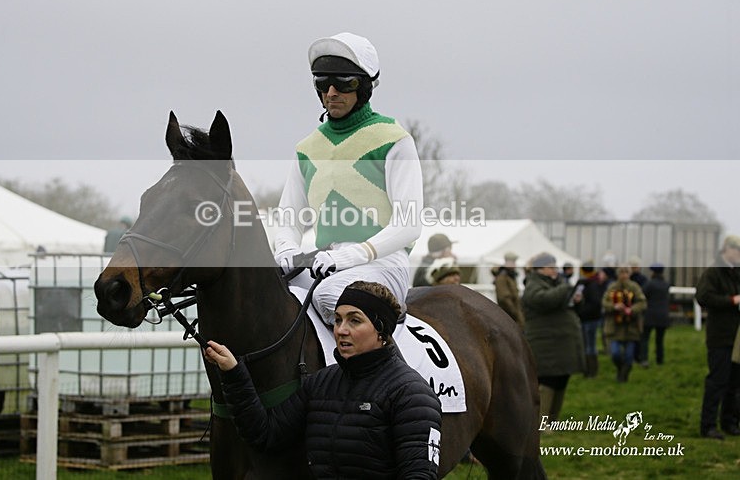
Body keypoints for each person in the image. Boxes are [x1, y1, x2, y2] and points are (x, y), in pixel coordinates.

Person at [203, 281, 442, 478]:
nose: (341, 330)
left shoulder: (412, 395)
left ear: (381, 331)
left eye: (354, 320)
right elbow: (265, 434)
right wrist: (234, 372)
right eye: (338, 320)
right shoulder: (321, 383)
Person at [274, 32, 423, 326]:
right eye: (321, 84)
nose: (331, 93)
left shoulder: (394, 139)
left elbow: (409, 224)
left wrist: (350, 256)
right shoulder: (306, 148)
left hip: (383, 264)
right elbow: (288, 218)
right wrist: (287, 249)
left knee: (330, 296)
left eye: (343, 83)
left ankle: (389, 370)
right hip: (324, 262)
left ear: (364, 87)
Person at [522, 252, 584, 425]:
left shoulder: (555, 283)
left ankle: (553, 420)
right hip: (546, 343)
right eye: (551, 267)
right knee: (548, 380)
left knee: (561, 379)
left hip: (560, 342)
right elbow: (544, 300)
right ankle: (543, 423)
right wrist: (566, 288)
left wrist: (576, 299)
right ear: (540, 269)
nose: (555, 270)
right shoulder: (533, 285)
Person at [696, 235, 740, 440]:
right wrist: (731, 300)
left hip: (737, 336)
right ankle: (708, 425)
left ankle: (730, 422)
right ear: (727, 250)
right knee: (717, 381)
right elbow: (703, 297)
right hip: (720, 336)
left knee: (735, 382)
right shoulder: (713, 272)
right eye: (737, 251)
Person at [602, 266, 647, 383]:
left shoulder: (634, 287)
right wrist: (614, 307)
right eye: (621, 273)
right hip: (614, 327)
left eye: (626, 272)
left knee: (629, 355)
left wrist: (631, 310)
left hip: (631, 327)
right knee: (615, 353)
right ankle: (620, 368)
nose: (623, 275)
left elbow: (642, 302)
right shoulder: (612, 287)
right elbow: (604, 302)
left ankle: (623, 376)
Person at [576, 262, 609, 378]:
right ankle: (588, 369)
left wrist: (581, 310)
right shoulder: (591, 283)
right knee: (587, 345)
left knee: (590, 345)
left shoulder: (591, 285)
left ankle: (591, 370)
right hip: (589, 318)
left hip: (590, 319)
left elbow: (595, 303)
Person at [640, 263, 671, 367]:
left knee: (645, 338)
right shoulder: (666, 284)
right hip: (663, 314)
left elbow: (643, 295)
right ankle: (660, 360)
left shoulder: (649, 284)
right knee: (659, 340)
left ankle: (644, 359)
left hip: (650, 314)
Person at [494, 251, 524, 328]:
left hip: (513, 316)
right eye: (513, 262)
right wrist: (515, 313)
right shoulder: (502, 277)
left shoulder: (510, 276)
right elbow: (504, 298)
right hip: (509, 317)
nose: (515, 264)